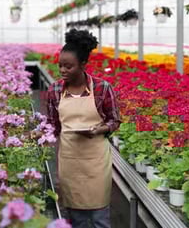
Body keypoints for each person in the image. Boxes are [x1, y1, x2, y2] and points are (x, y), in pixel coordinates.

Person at [47, 29, 121, 228]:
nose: (63, 70)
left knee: (99, 217)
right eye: (60, 66)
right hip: (69, 159)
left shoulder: (102, 88)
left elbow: (115, 120)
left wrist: (99, 129)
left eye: (68, 66)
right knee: (75, 216)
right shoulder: (54, 90)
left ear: (83, 65)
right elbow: (52, 125)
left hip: (96, 160)